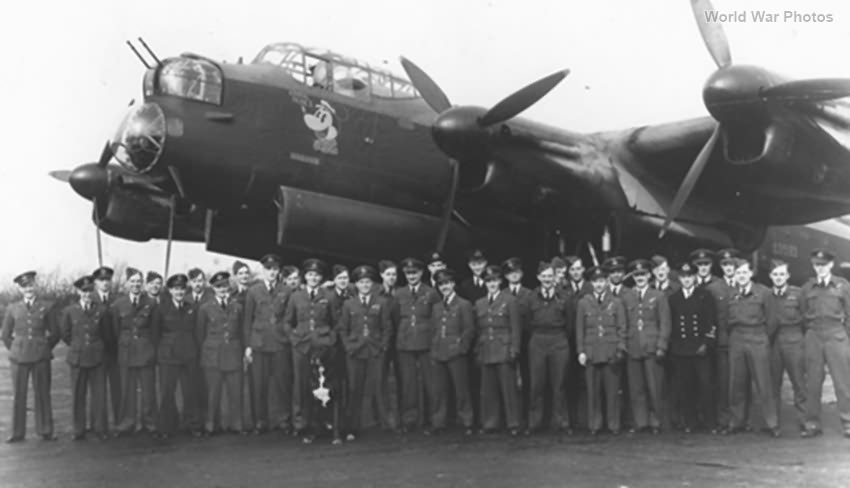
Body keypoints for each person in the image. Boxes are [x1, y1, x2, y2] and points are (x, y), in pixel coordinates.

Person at [284, 258, 340, 444]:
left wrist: (330, 340)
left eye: (316, 275)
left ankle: (325, 423)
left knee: (323, 385)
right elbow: (287, 322)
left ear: (321, 277)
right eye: (309, 275)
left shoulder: (329, 296)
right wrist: (294, 339)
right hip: (301, 347)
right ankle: (302, 425)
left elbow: (336, 322)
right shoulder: (296, 296)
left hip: (323, 347)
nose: (313, 278)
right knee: (301, 386)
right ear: (304, 277)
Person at [723, 259, 780, 437]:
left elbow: (772, 320)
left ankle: (772, 423)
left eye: (744, 272)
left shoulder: (764, 293)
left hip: (757, 338)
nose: (741, 276)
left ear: (751, 273)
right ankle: (736, 421)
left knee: (763, 383)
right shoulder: (731, 294)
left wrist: (762, 337)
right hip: (737, 338)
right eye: (738, 273)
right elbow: (726, 319)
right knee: (736, 383)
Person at [2, 271, 59, 443]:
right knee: (19, 394)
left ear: (35, 286)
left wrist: (44, 348)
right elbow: (5, 335)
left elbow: (55, 333)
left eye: (31, 285)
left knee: (42, 393)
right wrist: (16, 349)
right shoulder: (12, 308)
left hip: (40, 356)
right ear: (20, 289)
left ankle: (46, 430)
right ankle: (17, 433)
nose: (28, 289)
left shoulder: (46, 307)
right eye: (25, 286)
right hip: (19, 357)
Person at [800, 249, 850, 439]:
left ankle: (848, 422)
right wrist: (811, 333)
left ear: (831, 265)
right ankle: (812, 423)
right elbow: (803, 313)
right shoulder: (807, 288)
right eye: (816, 265)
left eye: (823, 265)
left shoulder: (843, 286)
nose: (819, 268)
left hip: (836, 334)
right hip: (814, 335)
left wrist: (845, 337)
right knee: (812, 382)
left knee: (843, 382)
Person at [338, 265, 391, 440]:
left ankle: (384, 424)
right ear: (356, 284)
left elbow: (387, 328)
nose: (365, 285)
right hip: (355, 351)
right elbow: (343, 329)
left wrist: (383, 346)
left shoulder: (381, 302)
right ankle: (353, 426)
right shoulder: (349, 304)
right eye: (361, 282)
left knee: (379, 386)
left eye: (368, 282)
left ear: (373, 284)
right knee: (354, 388)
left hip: (375, 350)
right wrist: (348, 346)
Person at [243, 253, 292, 435]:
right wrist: (248, 346)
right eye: (268, 269)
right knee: (258, 385)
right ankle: (260, 421)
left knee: (282, 384)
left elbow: (289, 318)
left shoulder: (286, 290)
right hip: (259, 343)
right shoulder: (253, 291)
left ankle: (284, 420)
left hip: (280, 343)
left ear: (279, 271)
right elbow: (247, 320)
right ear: (263, 270)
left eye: (275, 269)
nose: (272, 273)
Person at [622, 259, 671, 434]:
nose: (640, 278)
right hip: (633, 346)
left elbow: (665, 323)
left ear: (649, 275)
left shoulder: (658, 296)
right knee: (636, 388)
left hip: (652, 346)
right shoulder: (626, 296)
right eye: (636, 275)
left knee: (654, 387)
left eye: (642, 274)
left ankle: (656, 421)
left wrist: (661, 345)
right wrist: (624, 345)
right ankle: (640, 422)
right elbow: (624, 323)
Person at [576, 266, 627, 435]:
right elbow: (580, 330)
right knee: (593, 391)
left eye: (602, 281)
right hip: (591, 352)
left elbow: (622, 328)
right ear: (591, 283)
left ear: (606, 282)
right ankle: (595, 425)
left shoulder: (616, 302)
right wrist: (581, 351)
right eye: (596, 281)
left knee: (612, 391)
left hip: (610, 352)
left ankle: (613, 425)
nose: (599, 284)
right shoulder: (584, 303)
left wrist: (620, 348)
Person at [392, 257, 440, 433]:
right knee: (408, 383)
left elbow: (436, 318)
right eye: (408, 273)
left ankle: (432, 420)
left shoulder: (431, 293)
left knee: (431, 383)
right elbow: (396, 318)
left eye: (415, 273)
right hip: (405, 343)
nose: (411, 276)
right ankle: (410, 420)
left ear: (421, 273)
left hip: (426, 343)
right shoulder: (399, 294)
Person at [526, 261, 573, 434]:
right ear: (538, 278)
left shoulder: (564, 297)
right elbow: (527, 322)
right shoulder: (531, 297)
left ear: (555, 277)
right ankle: (534, 423)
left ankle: (561, 422)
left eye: (550, 276)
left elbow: (570, 323)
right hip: (538, 339)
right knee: (537, 383)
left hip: (558, 339)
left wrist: (559, 337)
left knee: (559, 383)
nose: (547, 279)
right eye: (543, 276)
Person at [667, 262, 716, 433]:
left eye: (689, 276)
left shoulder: (705, 295)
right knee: (685, 387)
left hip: (700, 348)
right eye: (683, 277)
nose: (686, 280)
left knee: (705, 385)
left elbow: (711, 322)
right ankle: (690, 422)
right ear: (679, 278)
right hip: (681, 349)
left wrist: (707, 343)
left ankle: (710, 422)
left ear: (694, 277)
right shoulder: (673, 298)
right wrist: (673, 346)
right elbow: (671, 324)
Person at [61, 275, 111, 441]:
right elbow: (65, 334)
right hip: (78, 357)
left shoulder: (101, 310)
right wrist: (78, 346)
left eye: (90, 290)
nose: (87, 294)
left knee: (99, 394)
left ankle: (100, 427)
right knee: (78, 394)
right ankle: (79, 429)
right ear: (78, 291)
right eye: (84, 291)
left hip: (97, 357)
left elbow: (106, 334)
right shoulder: (69, 311)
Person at [152, 274, 201, 439]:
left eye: (182, 289)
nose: (179, 292)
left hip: (189, 356)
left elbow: (197, 332)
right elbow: (155, 334)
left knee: (191, 392)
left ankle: (192, 425)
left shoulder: (191, 307)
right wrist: (162, 353)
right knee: (167, 392)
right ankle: (166, 427)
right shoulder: (161, 308)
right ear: (170, 290)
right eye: (176, 289)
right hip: (169, 357)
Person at [196, 271, 245, 436]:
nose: (222, 289)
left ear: (229, 287)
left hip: (233, 353)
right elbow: (200, 334)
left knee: (235, 392)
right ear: (213, 289)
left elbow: (242, 331)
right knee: (213, 393)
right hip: (213, 355)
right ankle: (211, 425)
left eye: (225, 286)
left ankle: (236, 425)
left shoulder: (237, 307)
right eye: (218, 287)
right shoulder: (205, 308)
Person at [111, 267, 158, 437]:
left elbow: (155, 330)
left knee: (148, 391)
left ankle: (150, 423)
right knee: (127, 390)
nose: (136, 284)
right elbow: (116, 331)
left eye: (139, 281)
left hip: (146, 352)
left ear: (143, 283)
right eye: (133, 281)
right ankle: (127, 423)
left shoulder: (151, 304)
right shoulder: (118, 304)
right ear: (127, 283)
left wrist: (152, 350)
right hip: (127, 352)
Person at [476, 265, 522, 435]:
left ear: (500, 281)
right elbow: (478, 329)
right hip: (486, 348)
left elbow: (515, 328)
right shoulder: (479, 303)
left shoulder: (509, 300)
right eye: (488, 281)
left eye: (494, 280)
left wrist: (514, 349)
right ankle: (490, 423)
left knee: (509, 389)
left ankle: (513, 423)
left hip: (504, 348)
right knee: (488, 389)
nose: (491, 284)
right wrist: (478, 351)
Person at [429, 268, 475, 436]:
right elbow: (434, 330)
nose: (444, 286)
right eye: (441, 284)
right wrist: (433, 350)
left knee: (461, 388)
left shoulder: (463, 304)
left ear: (453, 284)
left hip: (456, 352)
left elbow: (469, 330)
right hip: (439, 352)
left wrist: (461, 348)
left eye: (447, 283)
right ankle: (438, 422)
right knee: (439, 390)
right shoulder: (436, 307)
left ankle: (467, 421)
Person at [766, 259, 807, 432]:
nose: (778, 277)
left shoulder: (797, 294)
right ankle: (773, 423)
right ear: (770, 276)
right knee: (773, 384)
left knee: (799, 383)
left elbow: (806, 319)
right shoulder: (766, 295)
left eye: (782, 274)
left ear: (788, 276)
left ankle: (805, 421)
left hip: (794, 340)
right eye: (775, 274)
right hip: (774, 342)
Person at [704, 248, 740, 431]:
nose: (728, 267)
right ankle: (724, 420)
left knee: (740, 381)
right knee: (723, 381)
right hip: (722, 342)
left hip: (741, 341)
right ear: (721, 266)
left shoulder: (744, 285)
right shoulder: (713, 288)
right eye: (725, 264)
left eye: (731, 264)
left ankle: (741, 419)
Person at [502, 257, 532, 422]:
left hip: (527, 340)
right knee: (509, 380)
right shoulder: (501, 295)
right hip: (507, 342)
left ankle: (527, 416)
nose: (514, 275)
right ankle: (511, 417)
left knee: (527, 378)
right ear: (506, 276)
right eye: (510, 273)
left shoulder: (529, 294)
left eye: (517, 272)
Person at [92, 266, 121, 427]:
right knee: (99, 391)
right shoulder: (90, 299)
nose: (105, 283)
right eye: (101, 280)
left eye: (108, 280)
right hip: (98, 352)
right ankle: (100, 426)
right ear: (95, 282)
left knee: (118, 389)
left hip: (116, 352)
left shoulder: (118, 299)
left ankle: (120, 422)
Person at [376, 259, 400, 431]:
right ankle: (383, 419)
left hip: (399, 342)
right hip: (381, 342)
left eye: (394, 274)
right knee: (380, 381)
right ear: (381, 275)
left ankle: (400, 419)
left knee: (401, 380)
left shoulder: (400, 294)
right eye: (388, 274)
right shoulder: (375, 293)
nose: (391, 278)